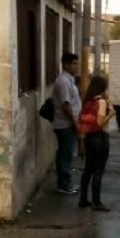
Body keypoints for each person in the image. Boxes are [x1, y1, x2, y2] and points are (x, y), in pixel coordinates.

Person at [78, 76, 115, 212]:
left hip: (89, 138)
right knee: (98, 170)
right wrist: (111, 114)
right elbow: (100, 123)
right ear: (102, 87)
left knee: (88, 169)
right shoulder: (101, 102)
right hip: (100, 138)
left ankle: (83, 199)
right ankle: (96, 202)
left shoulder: (88, 100)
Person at [52, 53, 82, 195]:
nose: (77, 66)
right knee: (65, 155)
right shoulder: (63, 81)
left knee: (66, 154)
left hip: (67, 124)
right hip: (65, 125)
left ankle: (65, 183)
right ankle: (63, 185)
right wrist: (74, 123)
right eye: (74, 64)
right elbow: (66, 105)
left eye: (77, 63)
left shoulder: (69, 80)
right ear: (66, 65)